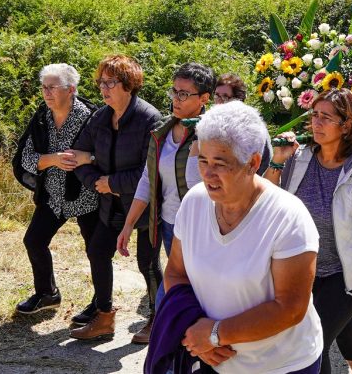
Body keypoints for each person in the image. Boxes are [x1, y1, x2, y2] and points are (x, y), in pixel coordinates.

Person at [159, 101, 323, 373]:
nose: (207, 174)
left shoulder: (287, 217)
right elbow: (176, 272)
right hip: (215, 359)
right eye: (202, 160)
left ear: (253, 163)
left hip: (282, 366)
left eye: (220, 164)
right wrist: (195, 327)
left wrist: (215, 333)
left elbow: (290, 308)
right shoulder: (194, 203)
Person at [270, 88, 352, 374]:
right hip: (302, 269)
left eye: (326, 117)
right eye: (314, 115)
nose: (317, 123)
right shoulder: (299, 159)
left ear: (347, 125)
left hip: (344, 276)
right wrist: (277, 160)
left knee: (312, 343)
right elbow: (269, 201)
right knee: (342, 328)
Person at [66, 55, 164, 342]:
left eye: (110, 82)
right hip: (111, 204)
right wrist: (98, 183)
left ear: (129, 84)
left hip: (146, 204)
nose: (103, 88)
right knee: (97, 252)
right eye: (101, 82)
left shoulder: (150, 119)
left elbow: (153, 170)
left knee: (147, 262)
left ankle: (157, 320)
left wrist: (114, 182)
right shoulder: (100, 116)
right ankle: (104, 318)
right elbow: (78, 157)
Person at [118, 62, 215, 330]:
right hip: (167, 224)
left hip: (199, 228)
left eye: (184, 94)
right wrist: (129, 224)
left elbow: (204, 187)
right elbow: (148, 180)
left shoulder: (213, 134)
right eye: (174, 91)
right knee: (179, 290)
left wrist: (199, 145)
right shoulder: (162, 130)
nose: (176, 99)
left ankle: (168, 337)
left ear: (204, 98)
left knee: (181, 293)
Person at [13, 64, 98, 316]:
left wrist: (87, 158)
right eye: (43, 87)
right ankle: (47, 294)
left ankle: (100, 305)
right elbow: (26, 158)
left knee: (96, 251)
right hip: (53, 196)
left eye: (52, 87)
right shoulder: (42, 118)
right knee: (34, 241)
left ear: (71, 89)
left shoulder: (92, 118)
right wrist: (53, 159)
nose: (46, 92)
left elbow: (107, 156)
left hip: (87, 196)